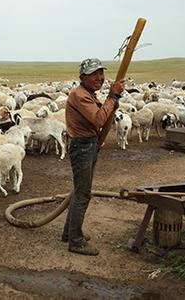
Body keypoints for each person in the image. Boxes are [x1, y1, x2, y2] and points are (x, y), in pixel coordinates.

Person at [62, 57, 125, 256]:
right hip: (82, 147)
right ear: (82, 77)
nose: (99, 78)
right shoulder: (80, 95)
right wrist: (112, 97)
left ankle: (69, 233)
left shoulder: (87, 93)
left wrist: (97, 139)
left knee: (79, 191)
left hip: (88, 143)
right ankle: (76, 241)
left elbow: (96, 118)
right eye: (93, 74)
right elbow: (99, 118)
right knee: (83, 194)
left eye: (101, 73)